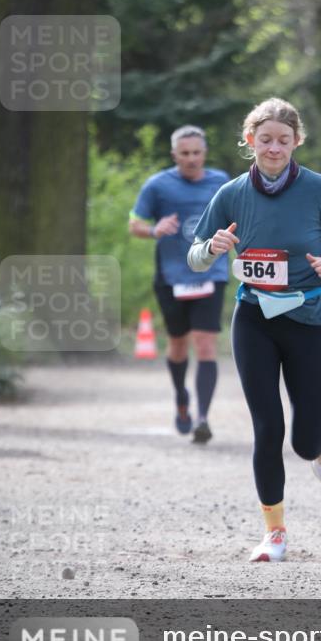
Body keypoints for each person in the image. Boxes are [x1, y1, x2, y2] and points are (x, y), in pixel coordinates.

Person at [188, 98, 321, 562]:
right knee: (268, 427)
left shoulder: (319, 190)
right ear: (250, 141)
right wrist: (213, 246)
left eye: (284, 140)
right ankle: (275, 534)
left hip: (308, 319)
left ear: (296, 141)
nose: (275, 148)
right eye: (266, 139)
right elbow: (195, 254)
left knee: (304, 440)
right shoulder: (231, 193)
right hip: (254, 320)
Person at [129, 125, 229, 443]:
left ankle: (203, 417)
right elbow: (134, 225)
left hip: (211, 274)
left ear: (205, 153)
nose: (191, 159)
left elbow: (240, 219)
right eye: (184, 154)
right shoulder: (157, 185)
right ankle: (181, 397)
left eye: (196, 153)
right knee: (177, 344)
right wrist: (154, 230)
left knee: (205, 342)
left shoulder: (221, 182)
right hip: (171, 277)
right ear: (174, 155)